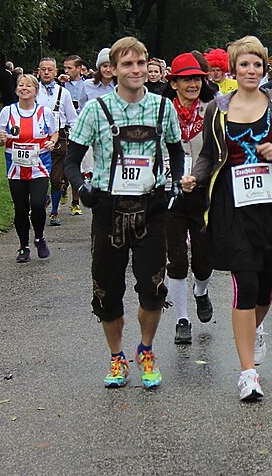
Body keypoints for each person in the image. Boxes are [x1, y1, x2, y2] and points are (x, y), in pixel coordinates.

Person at [181, 36, 272, 400]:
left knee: (266, 289)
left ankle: (251, 332)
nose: (251, 71)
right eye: (244, 65)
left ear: (264, 67)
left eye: (257, 64)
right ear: (234, 69)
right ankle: (247, 373)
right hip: (232, 207)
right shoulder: (218, 109)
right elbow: (209, 154)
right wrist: (197, 176)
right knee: (245, 284)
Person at [64, 36, 185, 390]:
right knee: (106, 290)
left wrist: (175, 182)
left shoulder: (163, 107)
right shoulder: (94, 110)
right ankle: (116, 358)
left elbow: (176, 152)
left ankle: (145, 350)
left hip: (151, 208)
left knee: (152, 288)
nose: (136, 70)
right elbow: (71, 160)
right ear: (113, 69)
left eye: (141, 63)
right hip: (108, 208)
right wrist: (83, 189)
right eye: (128, 64)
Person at [162, 53, 216, 345]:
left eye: (196, 78)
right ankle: (182, 320)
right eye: (186, 79)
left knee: (204, 258)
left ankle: (202, 291)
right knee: (178, 260)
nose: (193, 84)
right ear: (174, 83)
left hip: (203, 193)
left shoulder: (211, 111)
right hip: (170, 195)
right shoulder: (161, 112)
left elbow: (219, 153)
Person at [0, 74, 59, 262]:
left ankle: (39, 238)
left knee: (38, 203)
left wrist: (51, 142)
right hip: (15, 168)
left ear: (35, 91)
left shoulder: (44, 112)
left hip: (39, 167)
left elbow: (53, 134)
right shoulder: (8, 112)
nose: (24, 88)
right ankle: (24, 247)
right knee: (20, 208)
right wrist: (2, 140)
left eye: (28, 86)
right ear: (16, 89)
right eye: (21, 85)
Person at [37, 57, 79, 224]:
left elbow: (72, 119)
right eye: (43, 69)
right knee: (37, 177)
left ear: (56, 72)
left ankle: (54, 212)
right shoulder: (33, 91)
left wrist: (77, 139)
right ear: (38, 71)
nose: (46, 73)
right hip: (36, 139)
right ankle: (41, 200)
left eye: (50, 69)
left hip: (59, 139)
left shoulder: (64, 93)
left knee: (56, 178)